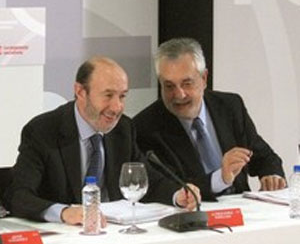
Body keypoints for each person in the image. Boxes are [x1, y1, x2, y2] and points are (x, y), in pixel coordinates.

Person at [4, 56, 200, 225]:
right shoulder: (43, 130)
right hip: (66, 237)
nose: (116, 107)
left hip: (112, 233)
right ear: (81, 92)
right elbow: (18, 195)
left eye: (122, 96)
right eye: (108, 96)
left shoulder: (123, 128)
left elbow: (148, 180)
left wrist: (178, 194)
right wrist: (64, 213)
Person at [133, 38, 286, 201]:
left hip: (241, 213)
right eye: (169, 86)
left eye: (187, 83)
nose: (179, 95)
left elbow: (263, 156)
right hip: (191, 216)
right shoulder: (145, 126)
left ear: (204, 78)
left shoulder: (230, 106)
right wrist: (221, 178)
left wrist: (271, 175)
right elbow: (168, 186)